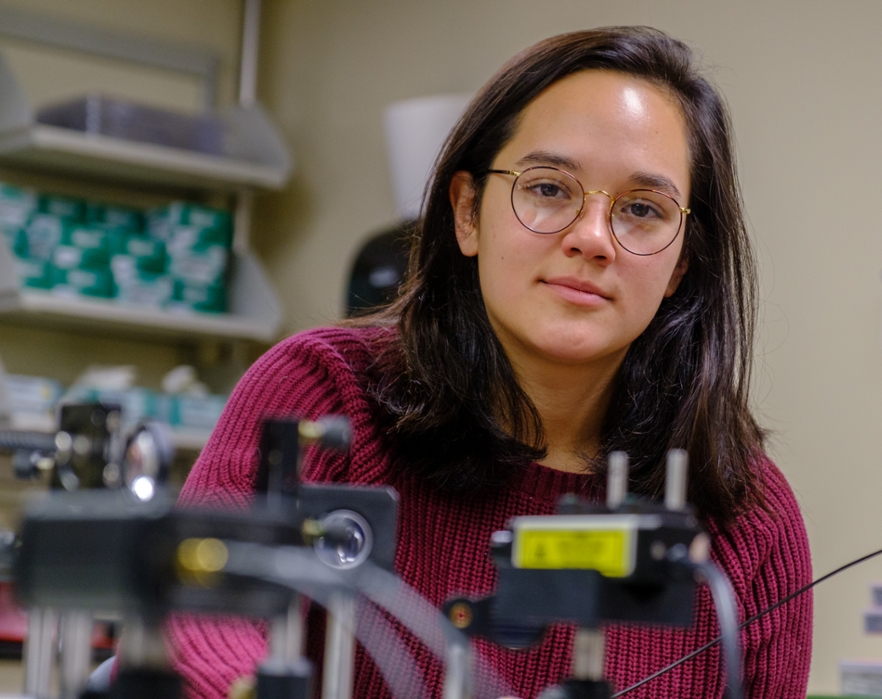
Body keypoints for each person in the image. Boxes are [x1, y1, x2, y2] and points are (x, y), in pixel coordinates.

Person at [166, 26, 813, 699]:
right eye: (549, 189)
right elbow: (199, 627)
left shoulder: (745, 512)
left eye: (643, 209)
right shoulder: (321, 396)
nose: (592, 239)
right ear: (468, 213)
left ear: (682, 260)